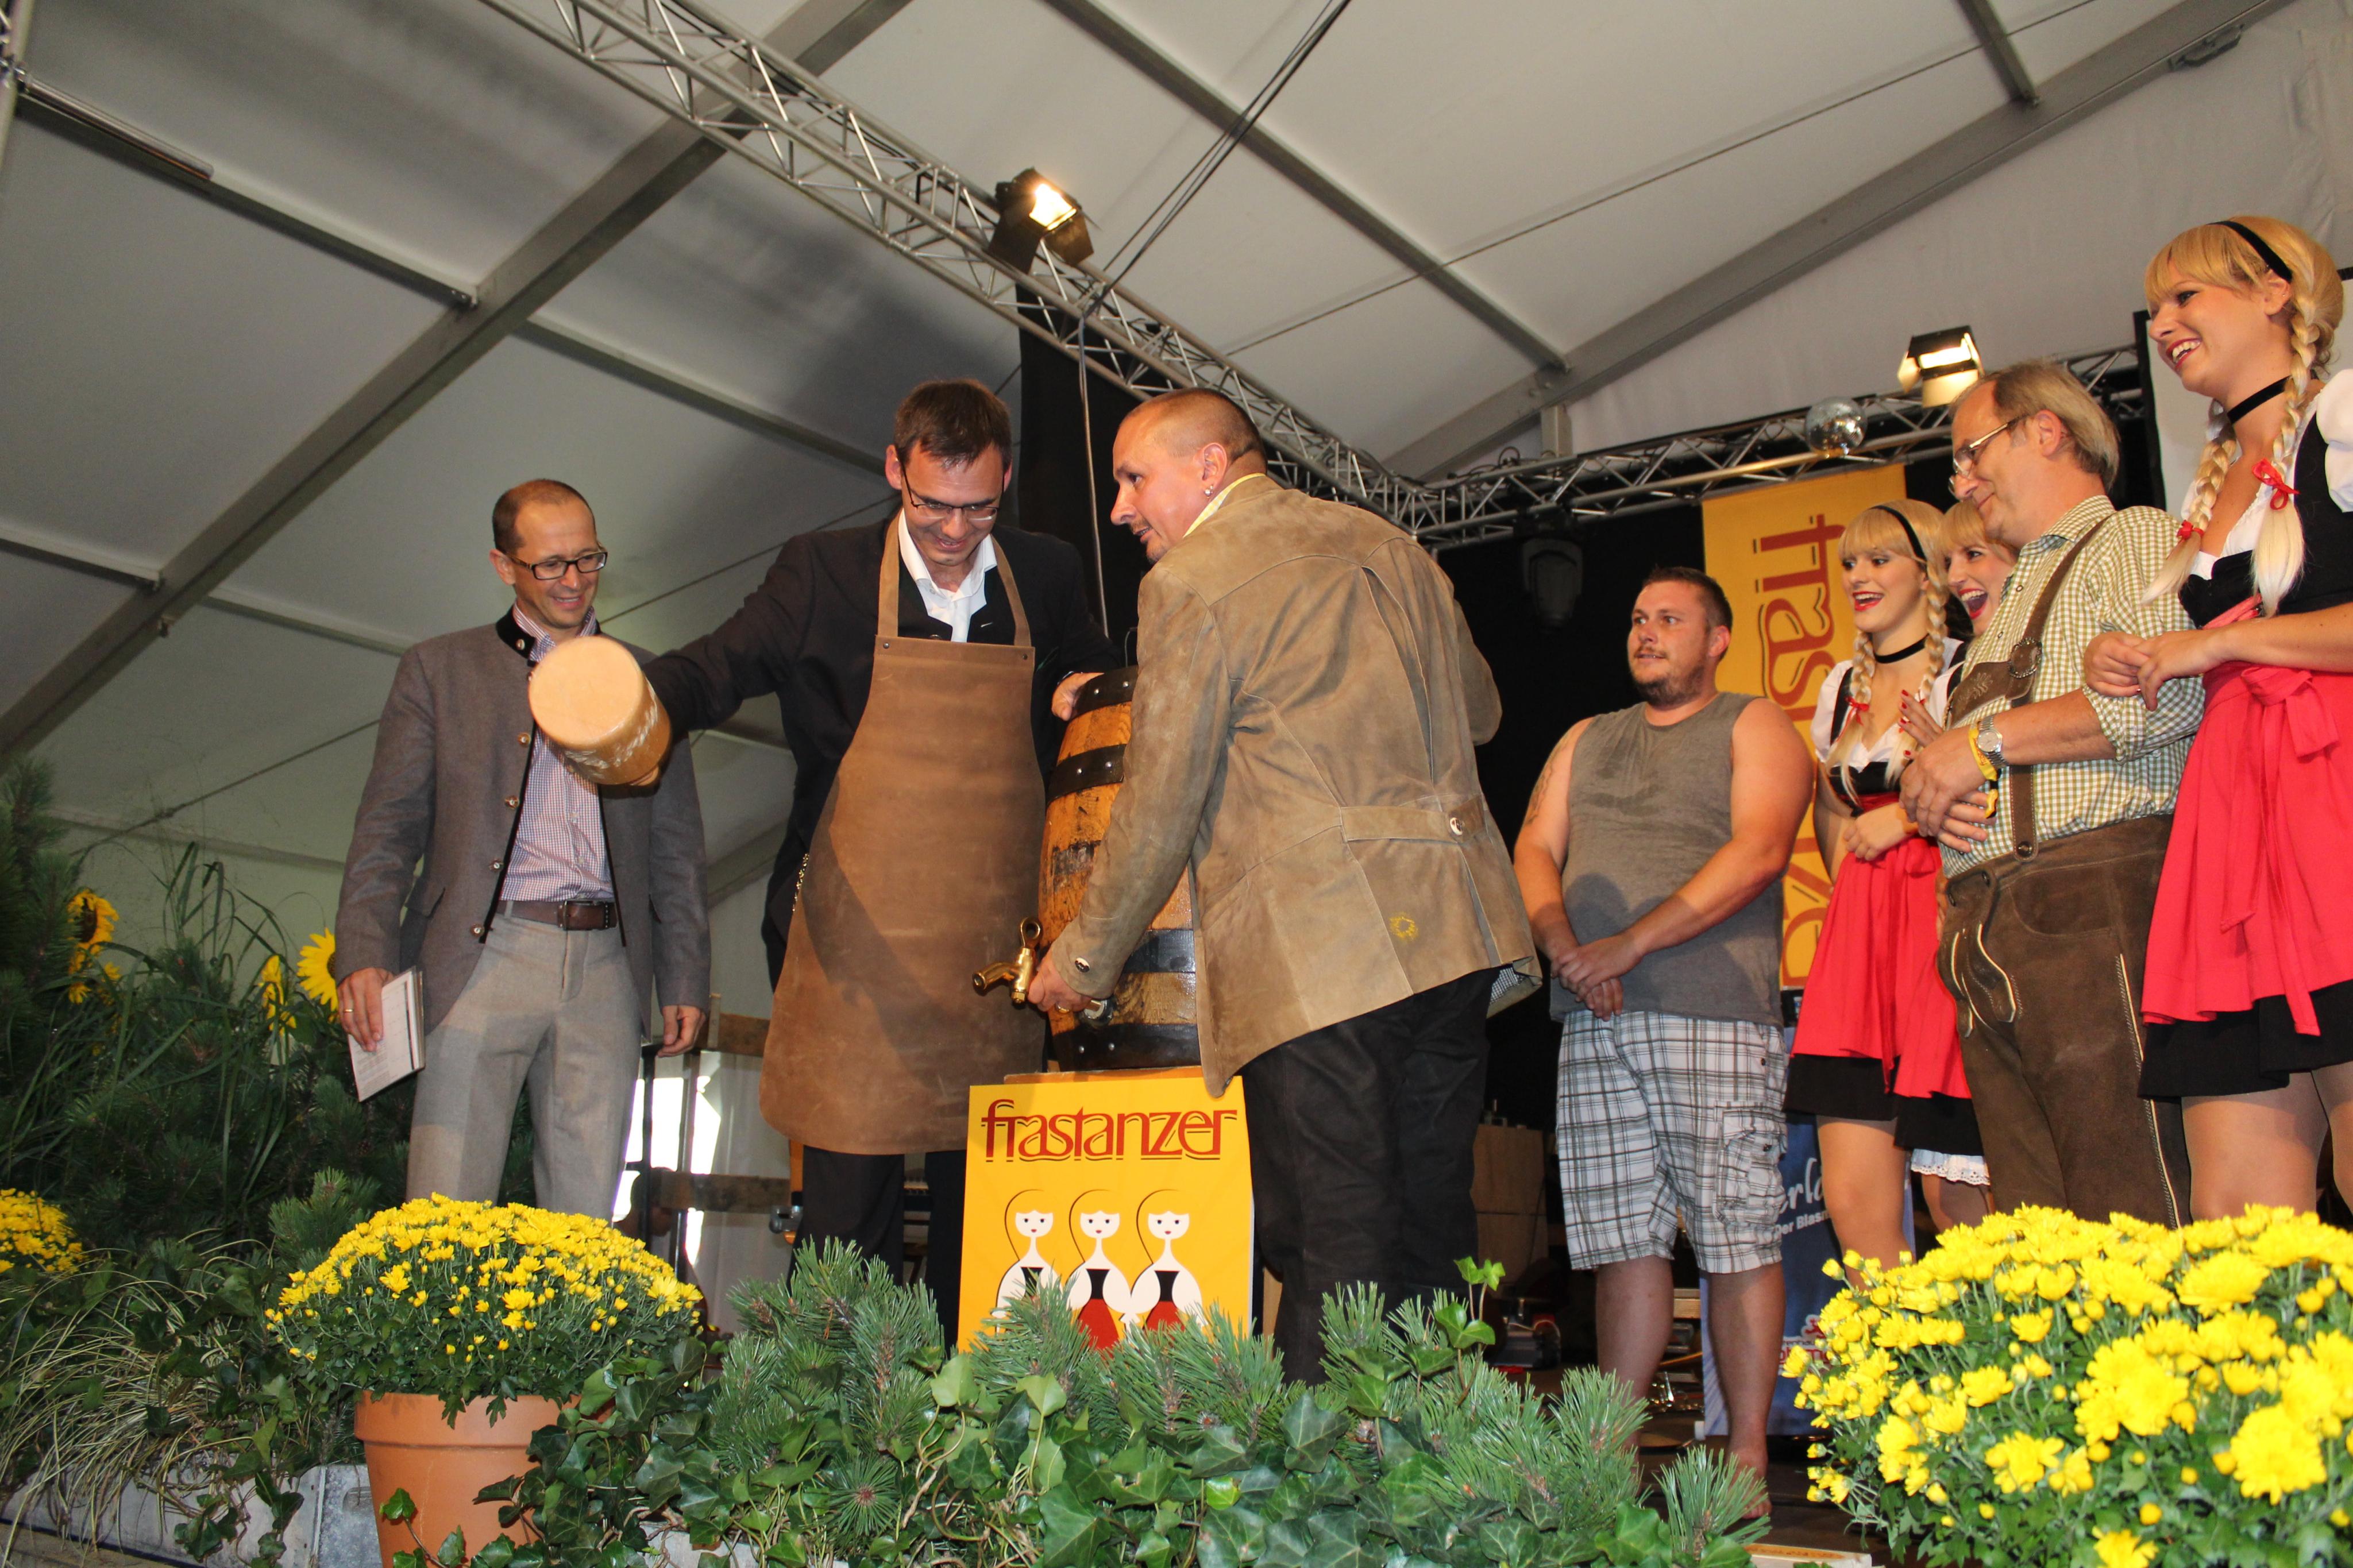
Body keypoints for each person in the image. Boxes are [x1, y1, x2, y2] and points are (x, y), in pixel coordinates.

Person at [1024, 388, 1537, 1383]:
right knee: (1430, 1226)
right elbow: (1480, 711)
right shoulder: (1395, 547)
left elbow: (1159, 804)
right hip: (1457, 933)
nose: (1122, 507)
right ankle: (1438, 1457)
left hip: (1324, 954)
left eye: (1135, 478)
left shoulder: (1189, 580)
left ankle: (1322, 1477)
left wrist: (1081, 960)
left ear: (1210, 467)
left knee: (1332, 1238)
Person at [641, 379, 1116, 1337]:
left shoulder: (1048, 571)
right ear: (895, 469)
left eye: (978, 508)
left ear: (1006, 483)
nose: (955, 531)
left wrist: (1085, 689)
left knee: (986, 1226)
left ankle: (971, 1409)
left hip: (999, 962)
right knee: (844, 1232)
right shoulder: (823, 573)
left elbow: (1099, 677)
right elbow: (719, 666)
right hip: (853, 950)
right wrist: (629, 699)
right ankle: (839, 1415)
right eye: (934, 505)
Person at [334, 479, 711, 1217]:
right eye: (550, 564)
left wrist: (685, 976)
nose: (574, 580)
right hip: (480, 953)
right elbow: (388, 824)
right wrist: (364, 950)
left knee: (584, 1224)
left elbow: (677, 846)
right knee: (444, 1215)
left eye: (589, 559)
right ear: (504, 566)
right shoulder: (438, 669)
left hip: (608, 967)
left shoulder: (649, 678)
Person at [1513, 566, 1813, 1485]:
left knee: (1735, 1236)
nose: (1647, 632)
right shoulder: (1585, 736)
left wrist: (1629, 945)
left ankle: (1746, 1459)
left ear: (1717, 640)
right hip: (1594, 1015)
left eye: (1671, 619)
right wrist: (1568, 948)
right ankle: (1607, 1460)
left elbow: (1761, 849)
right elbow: (1533, 846)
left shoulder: (1755, 722)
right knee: (1621, 1246)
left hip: (1710, 1011)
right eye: (1640, 618)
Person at [2083, 218, 2350, 1217]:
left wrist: (2216, 646)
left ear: (2276, 292)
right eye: (2156, 307)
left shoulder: (2344, 416)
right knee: (2236, 1213)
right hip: (2235, 822)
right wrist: (2145, 659)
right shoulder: (2212, 482)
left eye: (2186, 296)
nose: (2163, 324)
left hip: (2333, 799)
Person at [1902, 361, 2198, 1226]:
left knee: (2131, 1209)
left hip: (2090, 906)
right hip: (1988, 927)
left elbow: (2166, 695)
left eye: (1972, 452)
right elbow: (1961, 767)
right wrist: (1932, 791)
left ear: (2045, 429)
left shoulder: (2133, 535)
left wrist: (1979, 742)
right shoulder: (2012, 594)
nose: (1962, 481)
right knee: (2039, 1236)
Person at [1781, 501, 1967, 1275]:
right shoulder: (1839, 689)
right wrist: (1857, 881)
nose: (1859, 576)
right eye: (1850, 563)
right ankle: (1894, 1351)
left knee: (1958, 1199)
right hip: (1859, 951)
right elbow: (1830, 804)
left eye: (1880, 559)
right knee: (1855, 1203)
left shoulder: (1968, 668)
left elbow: (1996, 796)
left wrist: (1909, 822)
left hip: (1942, 933)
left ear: (1927, 570)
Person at [1895, 499, 2015, 1235]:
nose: (1959, 576)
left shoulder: (2055, 646)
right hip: (1963, 930)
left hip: (2031, 926)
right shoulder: (1955, 672)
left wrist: (1951, 757)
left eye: (1975, 555)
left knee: (2027, 1180)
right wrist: (1932, 776)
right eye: (1949, 562)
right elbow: (1927, 802)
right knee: (1949, 1194)